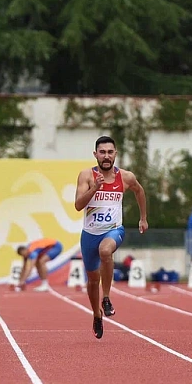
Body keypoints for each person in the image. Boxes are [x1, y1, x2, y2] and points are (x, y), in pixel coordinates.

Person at [73, 135, 148, 339]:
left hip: (113, 230)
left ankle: (106, 297)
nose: (106, 156)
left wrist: (143, 218)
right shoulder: (86, 176)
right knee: (92, 280)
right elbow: (78, 205)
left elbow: (139, 192)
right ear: (95, 154)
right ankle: (96, 314)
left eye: (110, 152)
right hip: (90, 234)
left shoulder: (125, 177)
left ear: (115, 154)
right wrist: (94, 188)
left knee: (105, 251)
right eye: (102, 152)